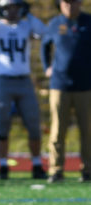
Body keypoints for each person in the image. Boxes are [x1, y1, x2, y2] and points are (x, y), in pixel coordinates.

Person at [0, 0, 47, 180]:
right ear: (2, 9)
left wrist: (29, 14)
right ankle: (3, 165)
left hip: (24, 80)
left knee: (33, 122)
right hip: (3, 80)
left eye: (15, 7)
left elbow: (43, 32)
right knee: (3, 124)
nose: (12, 11)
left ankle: (37, 163)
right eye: (8, 7)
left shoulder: (26, 24)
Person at [41, 0, 91, 183]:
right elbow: (44, 46)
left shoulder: (88, 22)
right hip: (59, 85)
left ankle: (87, 170)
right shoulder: (55, 23)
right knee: (57, 130)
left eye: (74, 2)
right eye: (66, 2)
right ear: (61, 4)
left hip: (85, 86)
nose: (70, 6)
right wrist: (47, 67)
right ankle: (56, 170)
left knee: (87, 130)